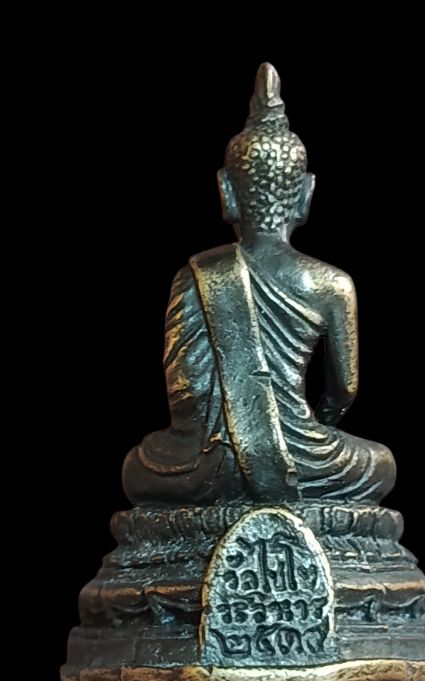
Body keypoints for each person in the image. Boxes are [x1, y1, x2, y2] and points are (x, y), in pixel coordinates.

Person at [123, 63, 396, 506]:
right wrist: (309, 429)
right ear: (305, 193)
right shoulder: (332, 284)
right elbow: (343, 391)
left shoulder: (195, 275)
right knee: (380, 464)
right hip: (303, 458)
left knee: (137, 468)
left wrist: (224, 435)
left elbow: (186, 394)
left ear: (226, 191)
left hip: (209, 462)